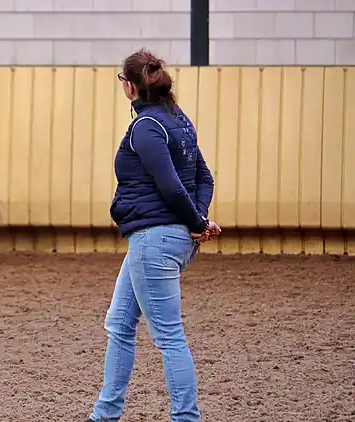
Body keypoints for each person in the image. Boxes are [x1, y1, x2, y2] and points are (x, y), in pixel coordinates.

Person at [85, 49, 221, 422]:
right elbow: (203, 180)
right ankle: (104, 415)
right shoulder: (179, 121)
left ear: (130, 87)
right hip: (163, 238)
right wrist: (200, 220)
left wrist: (196, 221)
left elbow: (173, 187)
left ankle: (185, 418)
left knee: (169, 337)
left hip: (153, 239)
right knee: (119, 324)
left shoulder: (146, 128)